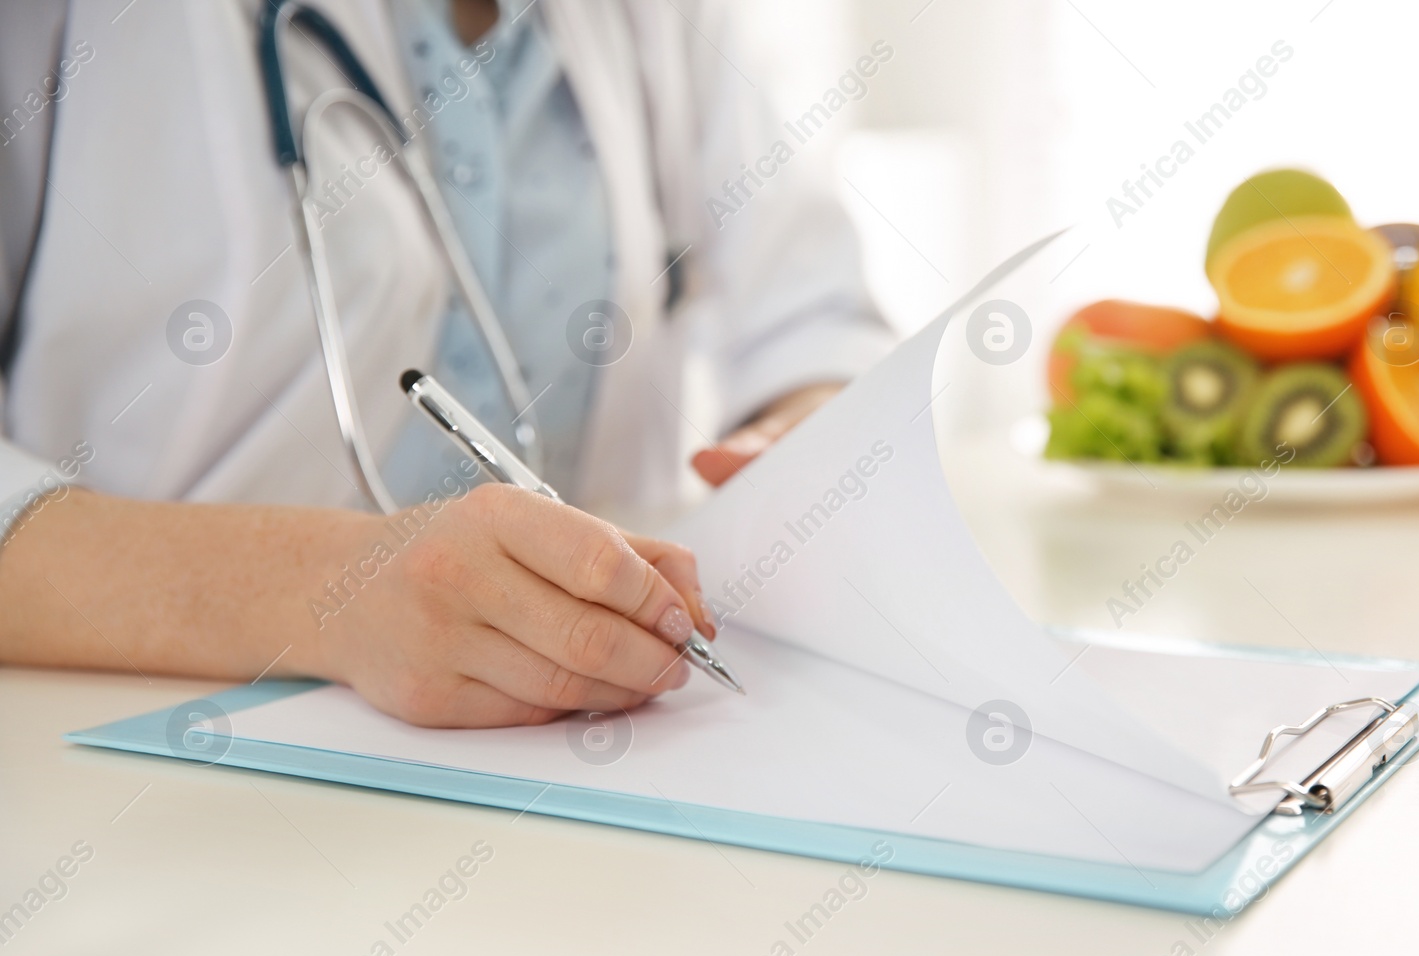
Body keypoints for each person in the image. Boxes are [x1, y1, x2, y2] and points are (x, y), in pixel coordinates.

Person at [0, 0, 892, 726]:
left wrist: (798, 433)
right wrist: (326, 591)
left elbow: (812, 318)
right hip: (145, 752)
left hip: (569, 760)